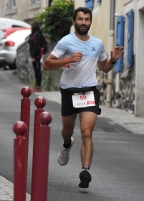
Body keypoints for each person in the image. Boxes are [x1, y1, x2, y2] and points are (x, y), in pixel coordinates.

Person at [43, 7, 124, 190]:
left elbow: (103, 67)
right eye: (80, 19)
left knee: (87, 133)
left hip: (89, 91)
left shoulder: (97, 43)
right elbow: (47, 64)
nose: (83, 23)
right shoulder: (66, 42)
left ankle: (85, 171)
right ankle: (66, 144)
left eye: (87, 19)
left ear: (90, 22)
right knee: (67, 131)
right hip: (69, 92)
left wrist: (112, 60)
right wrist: (67, 60)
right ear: (74, 22)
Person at [29, 21, 43, 92]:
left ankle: (38, 86)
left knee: (38, 71)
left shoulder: (37, 34)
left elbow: (36, 45)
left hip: (37, 56)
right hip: (35, 55)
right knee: (36, 71)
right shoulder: (34, 34)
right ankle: (37, 86)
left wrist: (33, 56)